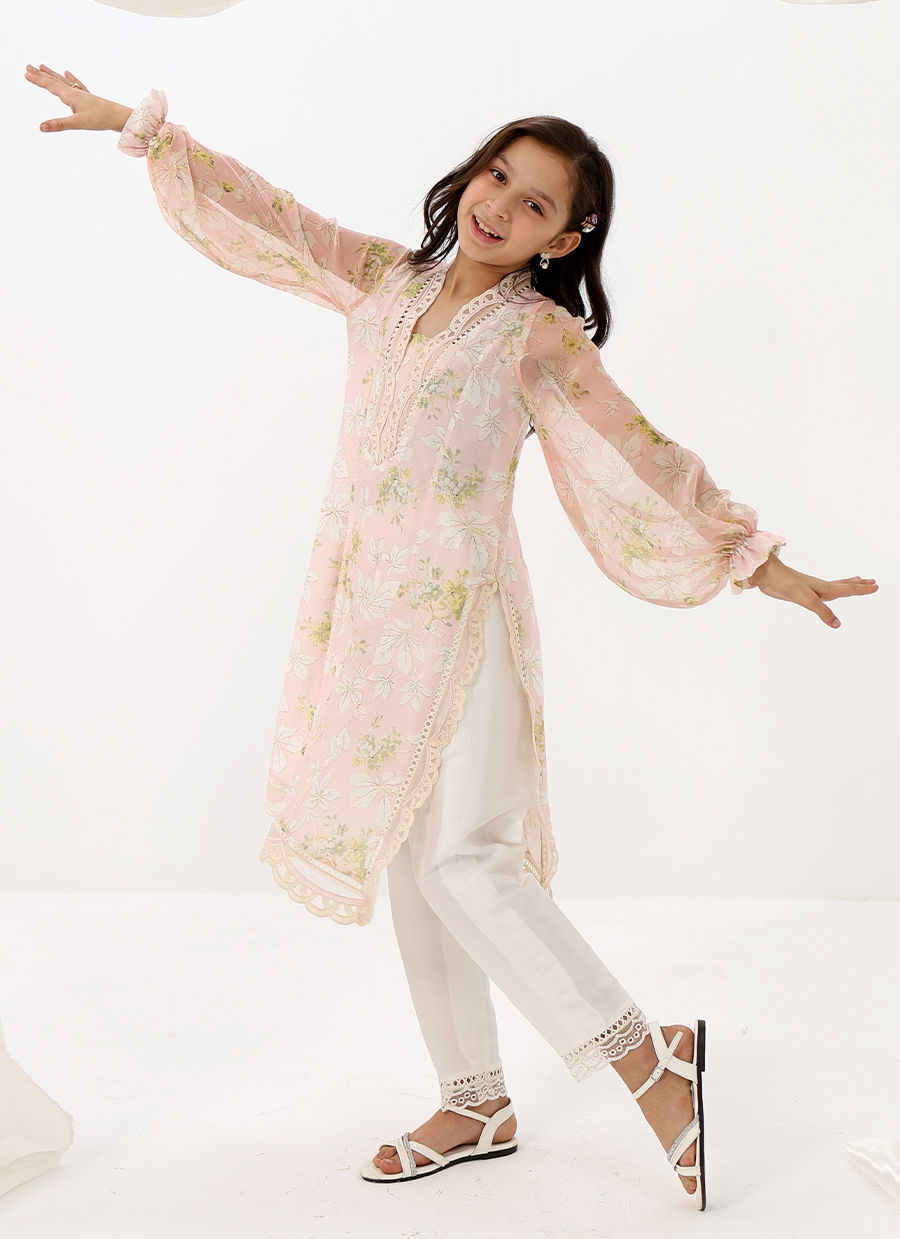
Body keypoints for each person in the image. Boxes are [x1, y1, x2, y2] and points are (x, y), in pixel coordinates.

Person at [24, 63, 879, 1211]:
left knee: (468, 863)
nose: (500, 205)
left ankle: (649, 1059)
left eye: (535, 203)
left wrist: (753, 558)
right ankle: (474, 1097)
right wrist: (147, 137)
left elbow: (641, 453)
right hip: (367, 618)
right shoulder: (383, 278)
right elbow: (274, 218)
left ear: (564, 239)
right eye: (497, 176)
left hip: (463, 613)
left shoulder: (536, 336)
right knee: (413, 864)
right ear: (471, 174)